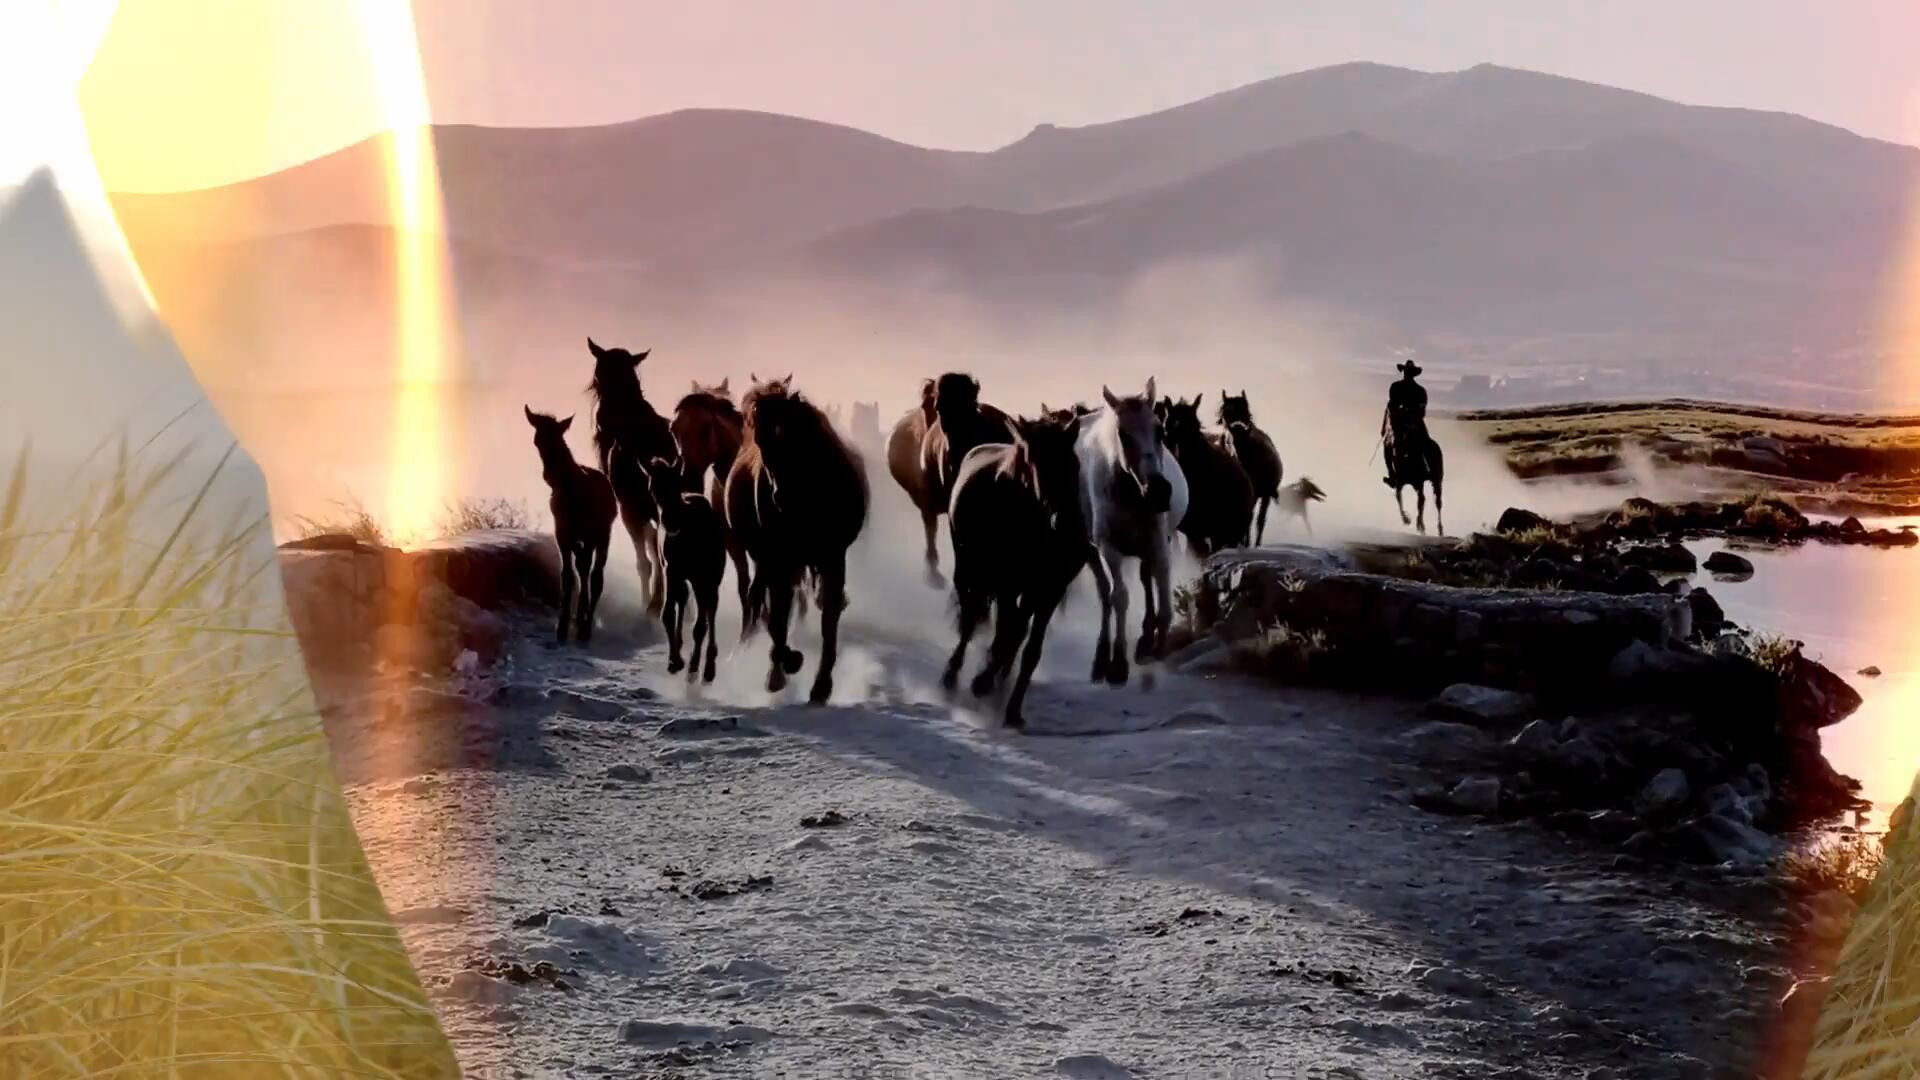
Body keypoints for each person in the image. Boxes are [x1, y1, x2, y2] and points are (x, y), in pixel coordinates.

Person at [1381, 360, 1428, 486]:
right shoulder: (1417, 390)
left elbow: (1421, 410)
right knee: (1389, 445)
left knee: (1425, 443)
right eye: (1407, 372)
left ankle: (1393, 475)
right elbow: (1391, 406)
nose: (1407, 374)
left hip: (1408, 422)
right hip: (1403, 422)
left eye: (1409, 372)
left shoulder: (1400, 387)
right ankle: (1392, 473)